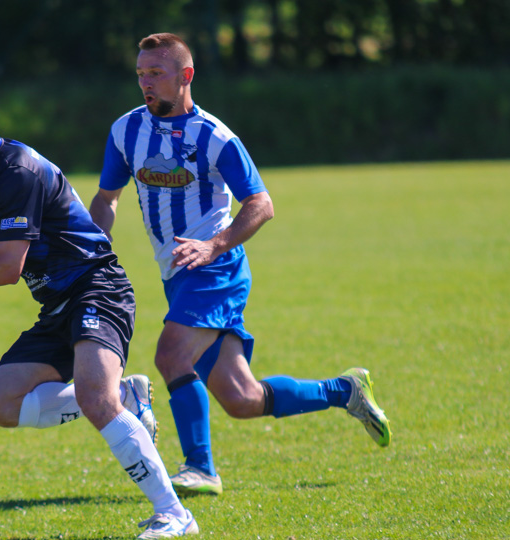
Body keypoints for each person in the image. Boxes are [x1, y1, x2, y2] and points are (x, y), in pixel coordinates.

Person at [0, 84, 198, 540]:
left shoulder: (16, 172)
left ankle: (174, 513)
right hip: (58, 304)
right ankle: (127, 399)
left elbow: (8, 267)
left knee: (95, 398)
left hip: (96, 290)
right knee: (0, 403)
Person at [90, 33, 392, 497]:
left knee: (170, 354)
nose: (145, 83)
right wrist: (95, 245)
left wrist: (215, 244)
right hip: (177, 276)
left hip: (217, 269)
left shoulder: (215, 136)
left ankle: (200, 468)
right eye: (140, 74)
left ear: (185, 76)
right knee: (242, 399)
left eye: (156, 73)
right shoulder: (124, 131)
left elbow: (262, 203)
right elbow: (107, 199)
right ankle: (345, 390)